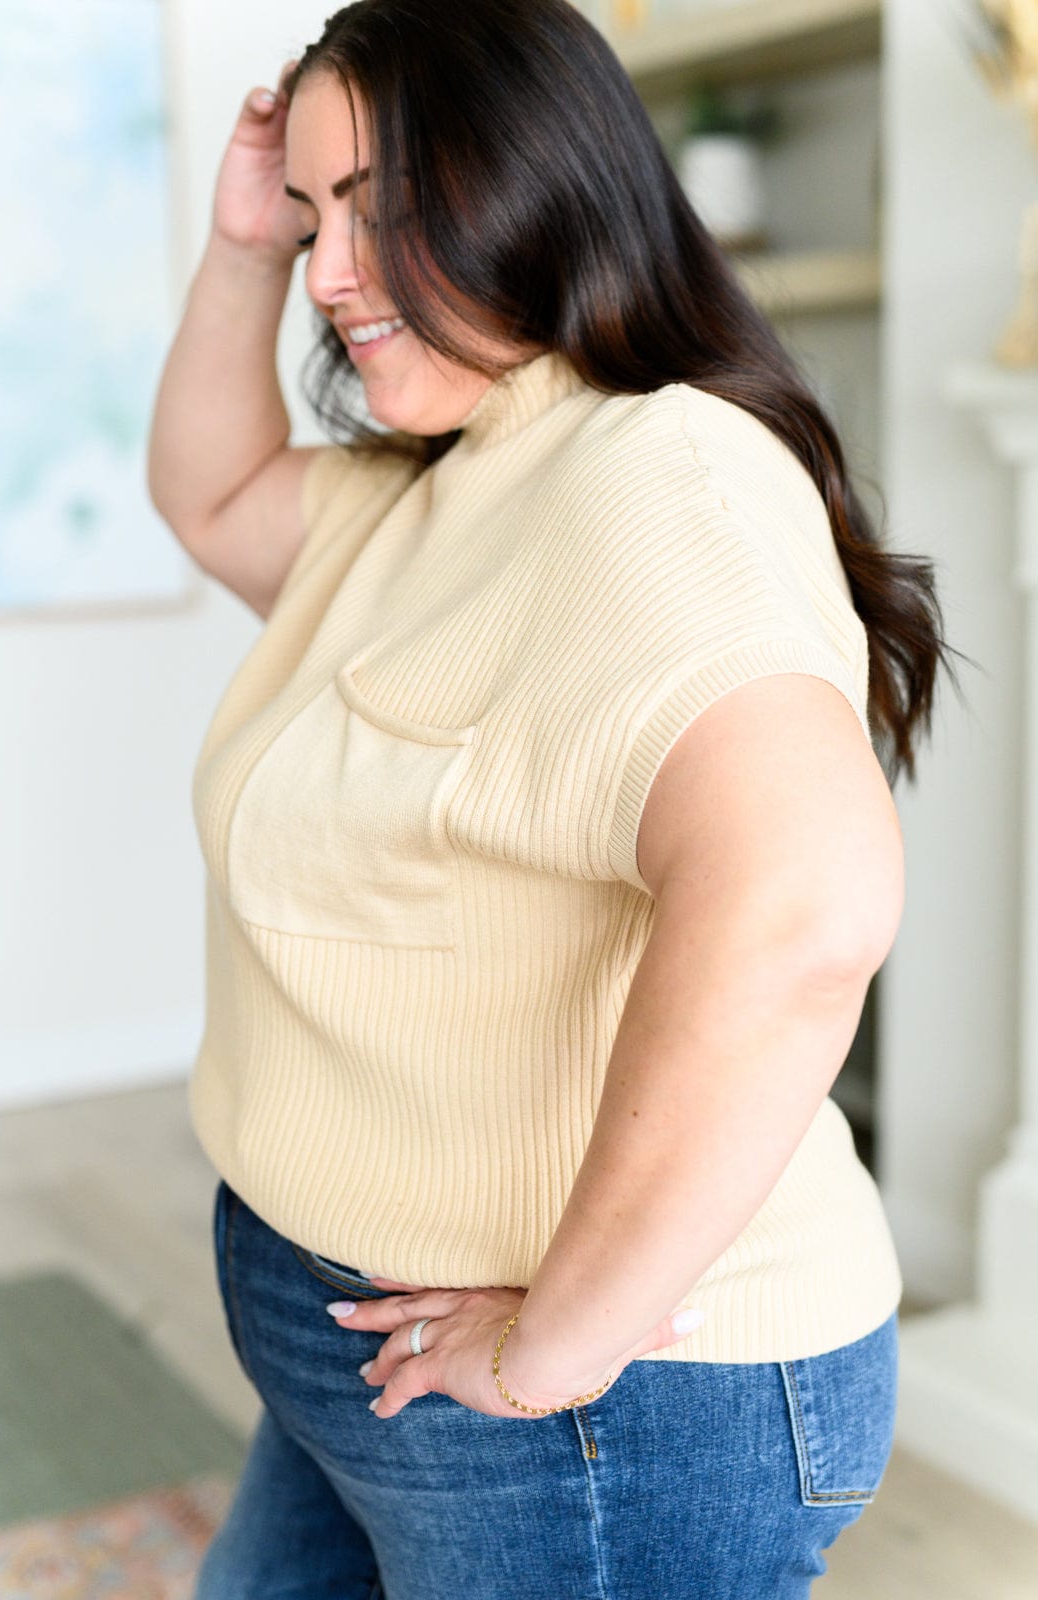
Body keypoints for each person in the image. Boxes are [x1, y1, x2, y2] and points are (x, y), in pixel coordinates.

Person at [147, 2, 960, 1595]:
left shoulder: (661, 473)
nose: (328, 271)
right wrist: (243, 247)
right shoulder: (435, 489)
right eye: (315, 216)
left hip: (590, 1418)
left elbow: (798, 909)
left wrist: (553, 1343)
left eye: (376, 206)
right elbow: (214, 494)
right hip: (359, 1349)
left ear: (527, 174)